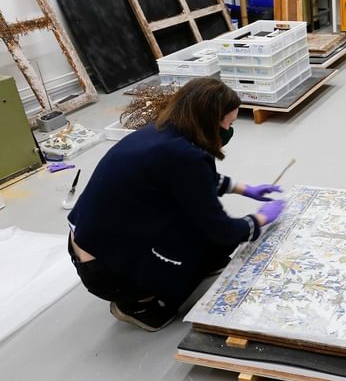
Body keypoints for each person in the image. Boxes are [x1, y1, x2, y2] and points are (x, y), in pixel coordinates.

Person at [67, 78, 286, 331]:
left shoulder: (161, 133)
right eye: (229, 122)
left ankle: (192, 264)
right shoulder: (185, 156)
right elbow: (222, 229)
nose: (229, 129)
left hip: (92, 244)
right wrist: (261, 219)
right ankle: (139, 305)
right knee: (217, 235)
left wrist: (246, 189)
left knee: (203, 234)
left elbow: (194, 182)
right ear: (209, 120)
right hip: (105, 273)